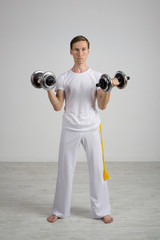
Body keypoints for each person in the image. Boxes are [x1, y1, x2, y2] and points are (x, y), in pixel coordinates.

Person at [47, 35, 119, 224]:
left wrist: (109, 89)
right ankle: (59, 210)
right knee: (65, 170)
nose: (80, 53)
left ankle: (102, 210)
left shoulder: (97, 77)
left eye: (84, 49)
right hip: (70, 127)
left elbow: (102, 105)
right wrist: (47, 88)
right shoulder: (64, 77)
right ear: (70, 51)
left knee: (97, 170)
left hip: (91, 128)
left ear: (88, 51)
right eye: (76, 49)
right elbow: (57, 106)